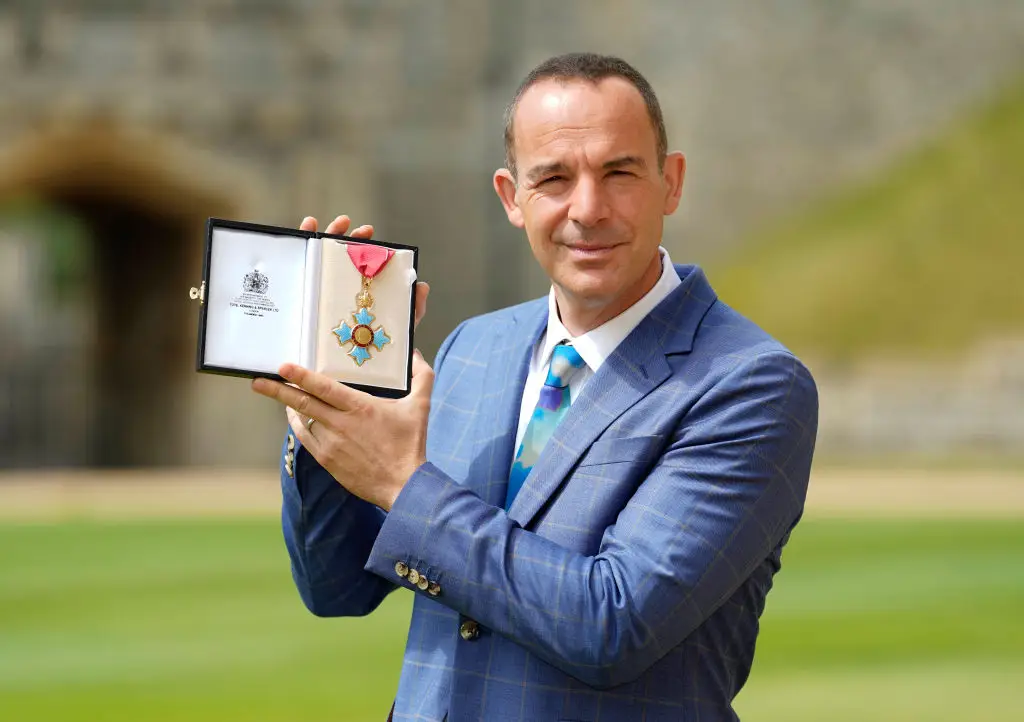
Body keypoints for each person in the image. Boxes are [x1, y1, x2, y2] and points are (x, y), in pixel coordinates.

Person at [253, 52, 818, 722]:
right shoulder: (474, 348)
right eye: (553, 178)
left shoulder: (750, 383)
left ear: (671, 182)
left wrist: (403, 486)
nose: (588, 208)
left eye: (619, 172)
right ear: (511, 197)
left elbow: (613, 625)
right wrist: (321, 404)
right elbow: (335, 588)